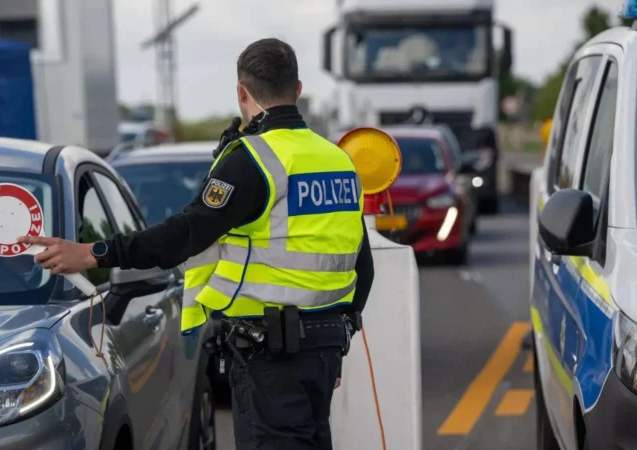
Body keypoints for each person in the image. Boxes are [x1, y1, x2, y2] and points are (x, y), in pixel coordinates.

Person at [19, 37, 375, 450]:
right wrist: (341, 331)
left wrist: (93, 252)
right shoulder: (338, 160)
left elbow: (184, 235)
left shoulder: (253, 159)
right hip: (324, 347)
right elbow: (361, 264)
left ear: (242, 92)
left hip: (271, 356)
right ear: (297, 89)